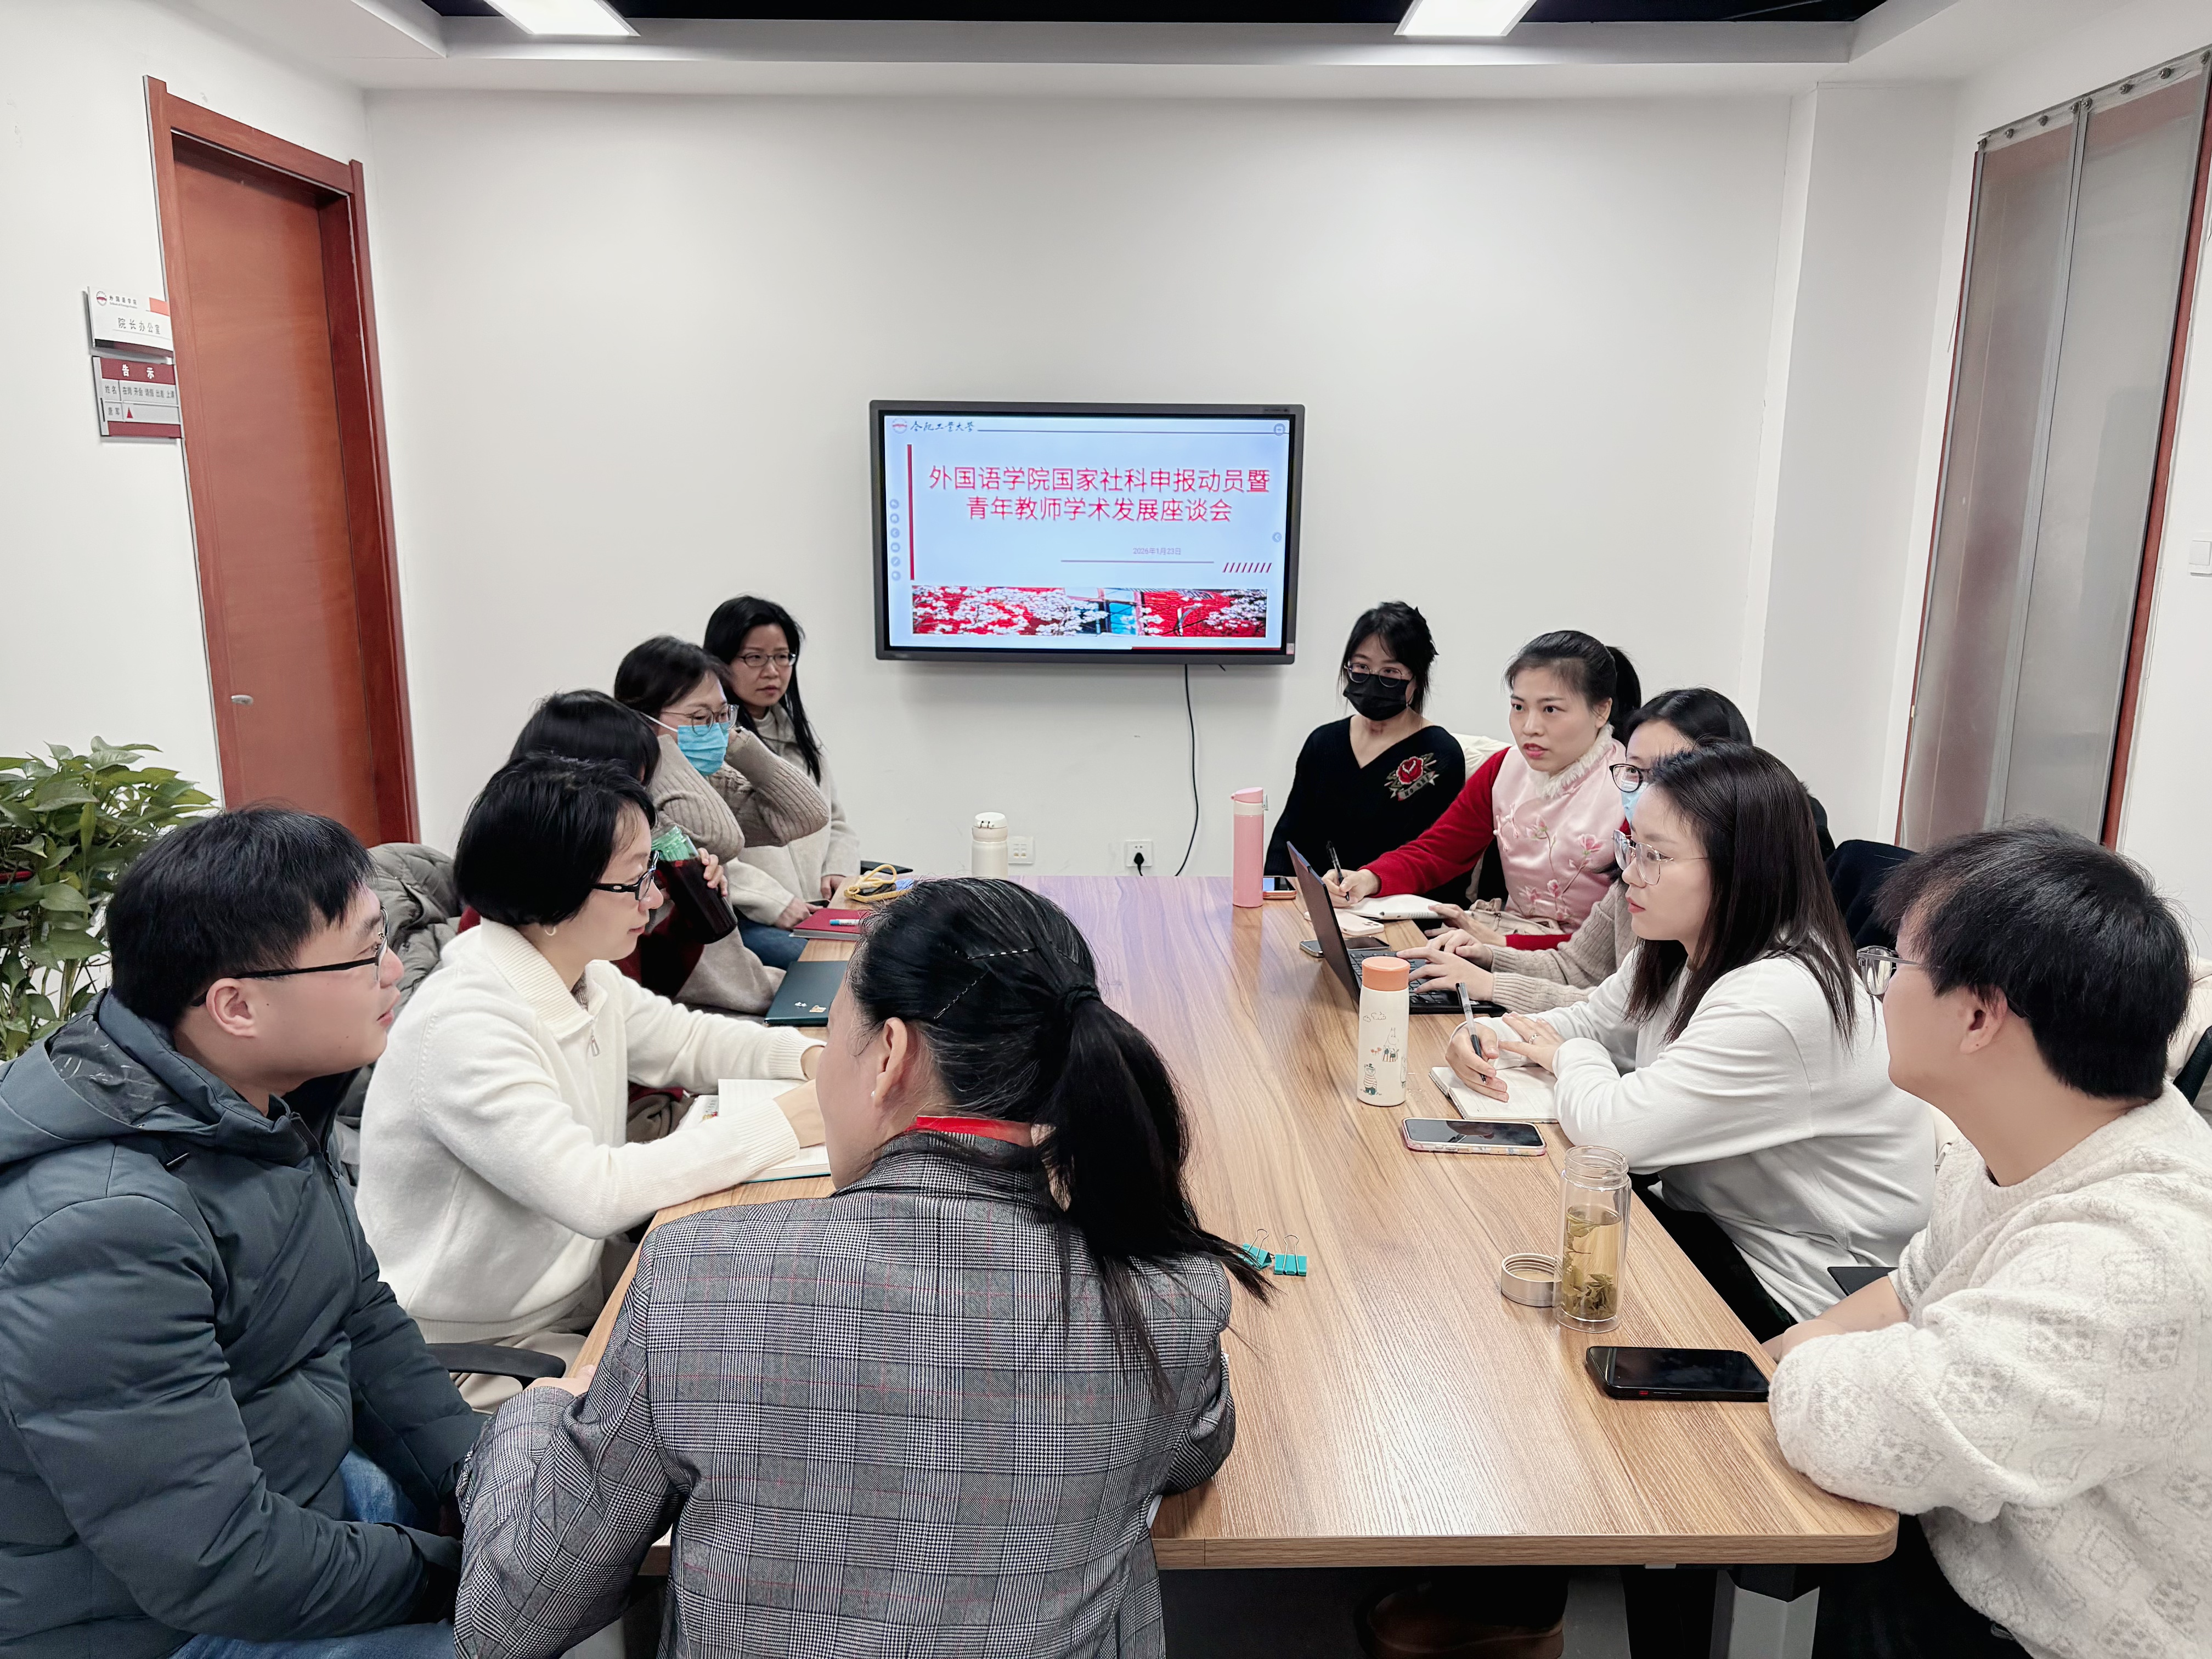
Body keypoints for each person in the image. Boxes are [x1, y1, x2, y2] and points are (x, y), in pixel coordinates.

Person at [455, 878, 1267, 1659]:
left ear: (889, 1056)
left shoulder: (697, 1280)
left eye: (833, 1036)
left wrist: (536, 1418)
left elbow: (508, 1624)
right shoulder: (1167, 1294)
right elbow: (1196, 1447)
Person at [0, 808, 478, 1658]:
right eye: (365, 951)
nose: (393, 970)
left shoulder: (257, 1105)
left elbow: (360, 1318)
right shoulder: (103, 1226)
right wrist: (461, 1576)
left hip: (297, 1505)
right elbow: (212, 1559)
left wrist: (488, 1486)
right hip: (156, 1624)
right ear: (237, 1005)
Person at [1767, 825, 2211, 1659]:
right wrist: (1788, 1349)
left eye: (1893, 965)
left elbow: (1865, 1430)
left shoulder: (2138, 1259)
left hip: (2049, 1636)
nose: (1878, 988)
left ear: (1978, 1015)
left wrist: (1796, 1364)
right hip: (1965, 1550)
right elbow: (1912, 1288)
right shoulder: (2015, 1141)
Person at [357, 755, 824, 1405]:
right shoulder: (466, 1023)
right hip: (472, 1350)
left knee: (769, 1319)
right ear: (556, 891)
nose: (654, 899)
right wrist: (783, 1122)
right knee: (725, 1397)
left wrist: (812, 1062)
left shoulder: (581, 971)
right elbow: (594, 1191)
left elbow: (690, 1041)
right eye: (635, 881)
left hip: (570, 1294)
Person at [1445, 743, 1931, 1337]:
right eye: (1632, 847)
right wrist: (1483, 1034)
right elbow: (1586, 1021)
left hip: (1794, 1287)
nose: (1630, 872)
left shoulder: (1779, 996)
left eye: (1656, 856)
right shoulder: (1679, 945)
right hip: (1710, 1230)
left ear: (1740, 868)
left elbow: (1615, 1133)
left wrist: (1572, 1057)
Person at [1401, 686, 1750, 1012]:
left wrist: (1493, 985)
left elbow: (1629, 1018)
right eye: (1635, 771)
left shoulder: (1728, 902)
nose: (1647, 791)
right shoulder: (1634, 867)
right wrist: (1487, 957)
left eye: (1669, 773)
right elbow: (1578, 968)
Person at [1326, 630, 1638, 933]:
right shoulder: (1504, 768)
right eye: (1519, 707)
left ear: (1601, 711)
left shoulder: (1630, 790)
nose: (1530, 727)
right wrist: (1370, 878)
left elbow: (1621, 939)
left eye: (1550, 709)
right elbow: (1440, 852)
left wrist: (1498, 946)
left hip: (1586, 958)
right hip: (1505, 937)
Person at [613, 635, 831, 996]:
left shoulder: (705, 779)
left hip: (738, 981)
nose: (715, 730)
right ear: (642, 721)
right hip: (691, 997)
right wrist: (659, 750)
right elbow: (721, 839)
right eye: (700, 718)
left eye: (721, 715)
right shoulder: (640, 800)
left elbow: (807, 815)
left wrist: (735, 741)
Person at [1265, 601, 1467, 901]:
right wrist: (1273, 898)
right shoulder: (1323, 743)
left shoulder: (1439, 755)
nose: (1373, 681)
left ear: (1417, 677)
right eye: (1361, 667)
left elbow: (1438, 862)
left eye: (1390, 672)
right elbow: (1289, 839)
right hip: (1320, 907)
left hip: (1400, 912)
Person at [706, 594, 863, 907]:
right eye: (755, 657)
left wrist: (838, 870)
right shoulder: (711, 746)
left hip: (817, 907)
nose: (772, 671)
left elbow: (835, 822)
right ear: (720, 663)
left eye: (782, 657)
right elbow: (712, 849)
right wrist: (777, 904)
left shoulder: (800, 740)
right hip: (752, 914)